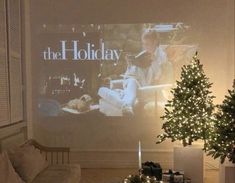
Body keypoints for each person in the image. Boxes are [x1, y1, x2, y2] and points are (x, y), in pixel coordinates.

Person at [99, 29, 173, 116]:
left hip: (146, 90)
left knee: (131, 82)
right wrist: (130, 65)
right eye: (143, 44)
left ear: (155, 42)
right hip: (135, 87)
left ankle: (125, 105)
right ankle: (126, 106)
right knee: (101, 90)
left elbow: (160, 78)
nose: (145, 47)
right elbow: (130, 75)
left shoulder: (162, 58)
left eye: (147, 44)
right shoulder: (143, 54)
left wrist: (152, 63)